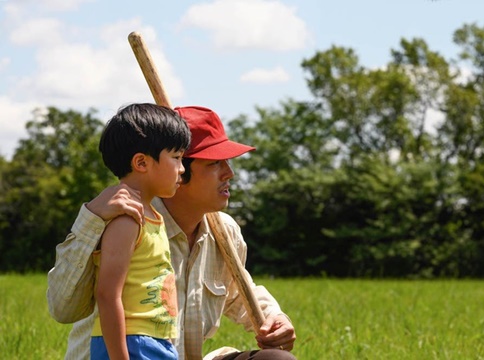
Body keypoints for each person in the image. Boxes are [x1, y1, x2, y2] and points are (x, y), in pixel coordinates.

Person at [47, 106, 297, 360]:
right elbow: (62, 309)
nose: (229, 173)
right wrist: (90, 219)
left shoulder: (225, 232)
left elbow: (238, 291)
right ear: (180, 170)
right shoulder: (124, 219)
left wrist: (274, 317)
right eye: (214, 163)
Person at [89, 103, 191, 359]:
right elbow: (107, 294)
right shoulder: (127, 220)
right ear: (142, 162)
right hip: (132, 343)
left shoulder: (153, 216)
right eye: (177, 158)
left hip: (154, 341)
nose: (182, 169)